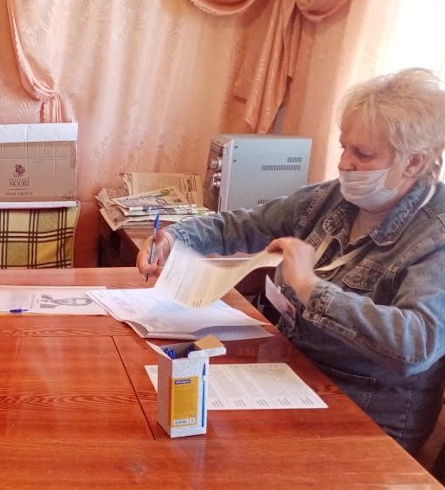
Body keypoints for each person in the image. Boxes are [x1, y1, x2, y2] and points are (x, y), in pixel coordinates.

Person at [137, 68, 445, 455]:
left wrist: (311, 287)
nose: (344, 164)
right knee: (167, 424)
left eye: (363, 155)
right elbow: (241, 224)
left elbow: (416, 345)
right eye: (344, 148)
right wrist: (173, 239)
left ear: (413, 163)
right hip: (291, 376)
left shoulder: (435, 236)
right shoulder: (329, 199)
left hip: (363, 419)